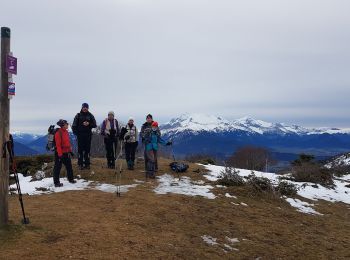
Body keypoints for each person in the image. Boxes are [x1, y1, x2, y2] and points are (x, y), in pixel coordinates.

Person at [72, 103, 97, 170]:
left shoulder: (90, 115)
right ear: (82, 108)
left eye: (86, 107)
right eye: (84, 107)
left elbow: (95, 125)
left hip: (88, 135)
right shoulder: (78, 115)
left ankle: (87, 163)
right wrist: (76, 133)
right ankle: (80, 164)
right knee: (80, 150)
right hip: (80, 135)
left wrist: (89, 124)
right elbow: (74, 126)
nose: (85, 108)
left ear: (88, 108)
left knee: (87, 150)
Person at [53, 119, 76, 187]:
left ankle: (71, 179)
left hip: (66, 153)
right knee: (57, 168)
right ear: (63, 125)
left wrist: (70, 151)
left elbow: (67, 143)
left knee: (69, 166)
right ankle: (56, 183)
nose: (68, 125)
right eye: (66, 124)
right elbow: (58, 145)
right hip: (59, 153)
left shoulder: (66, 132)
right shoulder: (58, 133)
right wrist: (60, 155)